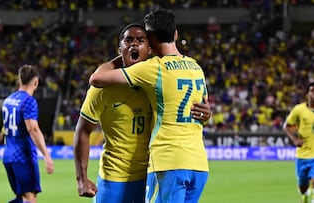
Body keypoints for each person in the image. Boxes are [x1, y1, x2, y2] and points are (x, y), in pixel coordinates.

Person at [74, 23, 211, 203]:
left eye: (140, 40)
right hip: (113, 178)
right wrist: (81, 178)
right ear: (119, 49)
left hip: (150, 177)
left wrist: (206, 114)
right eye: (128, 40)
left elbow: (185, 110)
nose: (134, 44)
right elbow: (83, 131)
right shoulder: (103, 88)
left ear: (150, 49)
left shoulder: (158, 83)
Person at [2, 64, 54, 203]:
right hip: (23, 156)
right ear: (36, 82)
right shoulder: (28, 101)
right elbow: (33, 129)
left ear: (19, 79)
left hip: (8, 156)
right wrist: (47, 155)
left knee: (22, 198)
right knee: (30, 198)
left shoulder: (8, 100)